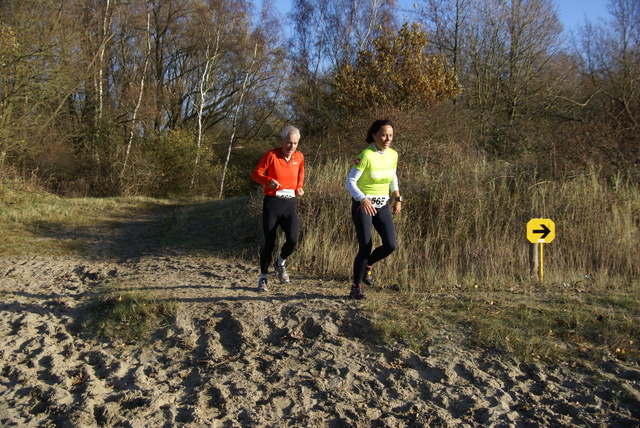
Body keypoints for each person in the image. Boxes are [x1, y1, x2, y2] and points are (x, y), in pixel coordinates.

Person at [345, 119, 402, 299]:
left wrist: (397, 198)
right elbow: (350, 182)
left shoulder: (393, 155)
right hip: (363, 205)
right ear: (374, 135)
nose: (387, 139)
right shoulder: (366, 155)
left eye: (390, 135)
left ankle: (368, 265)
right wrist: (363, 199)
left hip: (382, 203)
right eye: (384, 135)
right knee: (365, 245)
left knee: (390, 244)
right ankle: (356, 286)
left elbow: (393, 177)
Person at [251, 126, 305, 292]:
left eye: (295, 143)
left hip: (290, 204)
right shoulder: (271, 155)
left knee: (293, 239)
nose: (291, 147)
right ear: (282, 141)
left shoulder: (299, 157)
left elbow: (300, 173)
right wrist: (268, 181)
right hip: (273, 203)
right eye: (289, 143)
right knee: (269, 242)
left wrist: (299, 186)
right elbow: (256, 173)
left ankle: (280, 262)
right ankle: (263, 278)